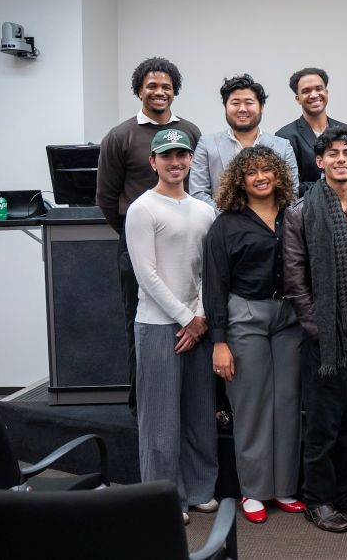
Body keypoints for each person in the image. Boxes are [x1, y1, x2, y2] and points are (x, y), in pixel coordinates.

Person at [283, 126, 347, 534]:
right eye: (333, 153)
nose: (341, 159)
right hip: (327, 341)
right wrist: (318, 330)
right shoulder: (300, 212)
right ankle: (318, 499)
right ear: (320, 161)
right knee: (323, 425)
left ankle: (346, 493)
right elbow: (295, 280)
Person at [202, 145, 304, 524]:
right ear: (240, 181)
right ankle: (254, 492)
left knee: (288, 404)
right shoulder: (226, 224)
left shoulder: (292, 217)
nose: (261, 177)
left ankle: (283, 488)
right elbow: (214, 285)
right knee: (252, 406)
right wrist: (220, 341)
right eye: (252, 172)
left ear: (278, 174)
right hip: (244, 316)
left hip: (288, 317)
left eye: (267, 170)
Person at [96, 57, 202, 414]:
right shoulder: (120, 136)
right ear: (139, 90)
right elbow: (107, 197)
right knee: (140, 322)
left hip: (186, 242)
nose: (159, 92)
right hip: (139, 246)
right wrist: (134, 233)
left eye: (166, 86)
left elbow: (198, 183)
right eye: (152, 85)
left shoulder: (190, 131)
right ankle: (141, 404)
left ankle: (190, 400)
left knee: (192, 314)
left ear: (175, 92)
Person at [125, 129, 218, 525]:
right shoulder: (143, 209)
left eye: (182, 155)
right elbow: (146, 275)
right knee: (160, 421)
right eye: (167, 156)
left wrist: (199, 318)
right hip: (159, 326)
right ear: (154, 162)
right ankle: (165, 498)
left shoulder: (204, 210)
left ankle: (198, 491)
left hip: (198, 324)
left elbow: (205, 271)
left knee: (199, 415)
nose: (175, 162)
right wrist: (186, 318)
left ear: (190, 160)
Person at [190, 74, 299, 210]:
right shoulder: (207, 144)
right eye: (235, 103)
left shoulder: (283, 146)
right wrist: (229, 220)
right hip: (222, 225)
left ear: (261, 107)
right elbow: (198, 193)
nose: (242, 109)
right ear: (226, 107)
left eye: (249, 102)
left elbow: (291, 194)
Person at [275, 68, 347, 198]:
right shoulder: (285, 137)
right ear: (298, 98)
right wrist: (333, 185)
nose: (314, 95)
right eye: (306, 91)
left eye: (318, 89)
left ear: (326, 92)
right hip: (307, 211)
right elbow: (289, 186)